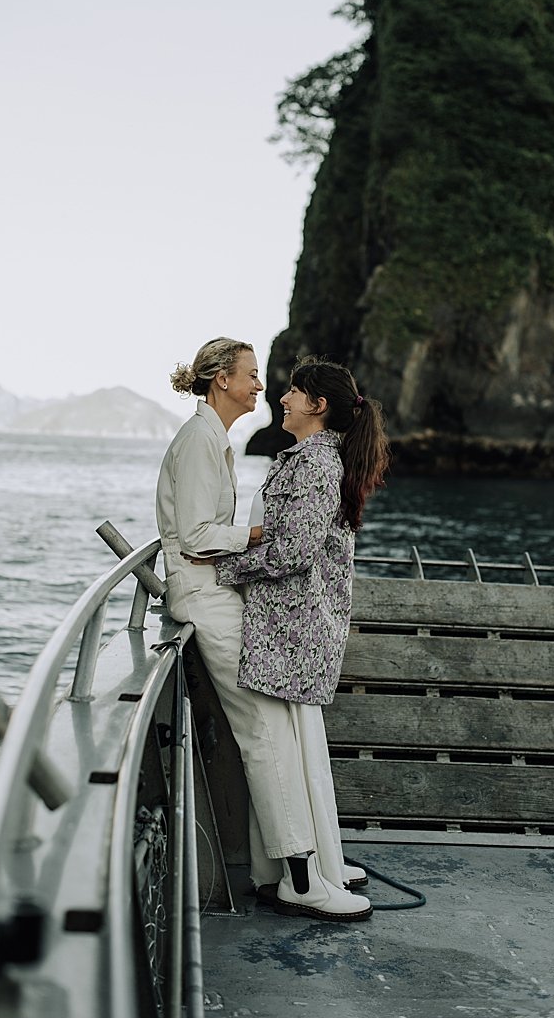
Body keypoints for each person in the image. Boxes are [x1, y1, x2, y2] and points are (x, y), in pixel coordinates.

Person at [155, 338, 370, 922]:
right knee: (266, 732)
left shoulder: (214, 441)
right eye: (251, 375)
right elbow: (199, 537)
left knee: (271, 730)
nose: (262, 386)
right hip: (207, 599)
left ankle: (281, 871)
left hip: (218, 593)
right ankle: (300, 875)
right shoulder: (201, 441)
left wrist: (247, 545)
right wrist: (251, 538)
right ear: (221, 379)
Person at [211, 355, 389, 920]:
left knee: (284, 749)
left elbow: (297, 550)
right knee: (293, 747)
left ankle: (305, 876)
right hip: (293, 626)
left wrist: (223, 568)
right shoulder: (313, 458)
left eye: (293, 391)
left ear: (319, 406)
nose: (280, 398)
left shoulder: (313, 464)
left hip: (294, 629)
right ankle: (299, 869)